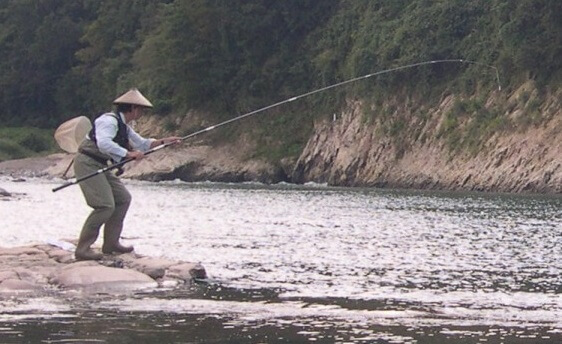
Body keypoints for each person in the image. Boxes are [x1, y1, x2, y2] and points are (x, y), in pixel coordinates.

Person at [73, 88, 180, 261]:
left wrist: (164, 141)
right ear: (133, 108)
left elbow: (143, 144)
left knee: (123, 198)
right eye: (141, 110)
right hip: (87, 164)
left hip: (101, 164)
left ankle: (111, 244)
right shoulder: (108, 121)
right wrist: (128, 154)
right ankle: (83, 250)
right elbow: (104, 143)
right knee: (104, 205)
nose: (142, 114)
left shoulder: (124, 126)